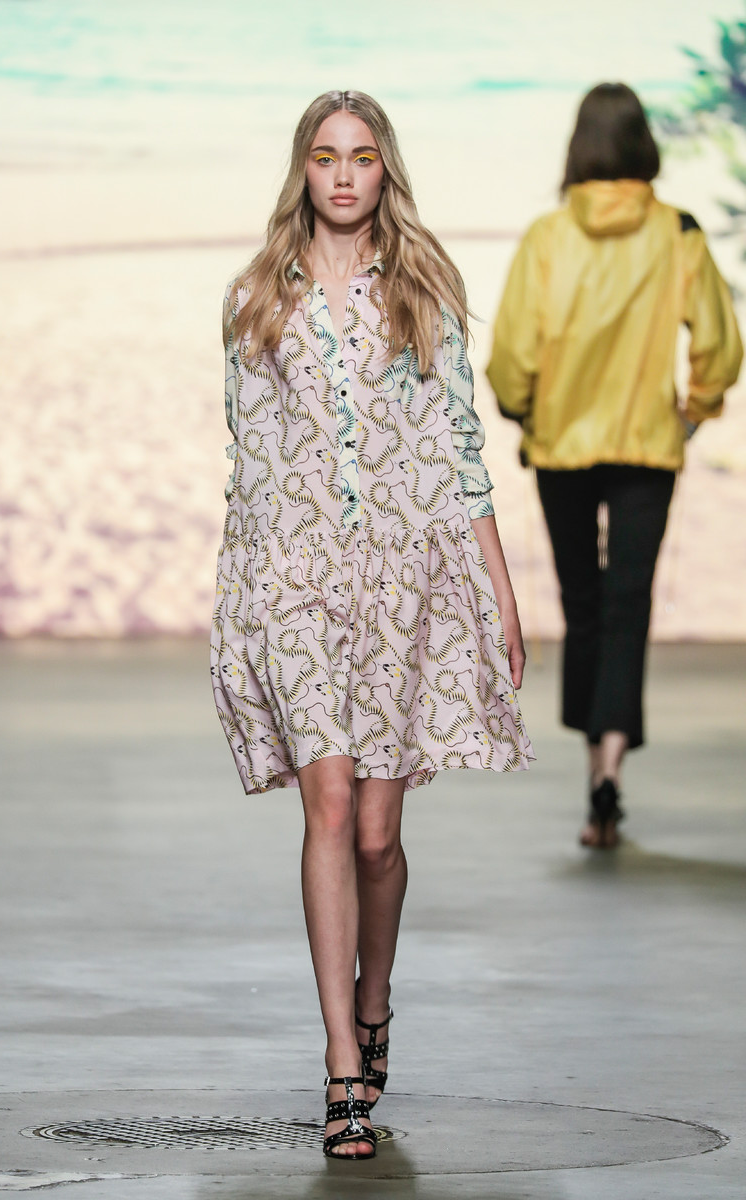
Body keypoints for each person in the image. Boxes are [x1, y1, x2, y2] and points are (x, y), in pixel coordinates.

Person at [210, 89, 533, 1159]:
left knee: (379, 837)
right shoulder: (254, 297)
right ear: (301, 171)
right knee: (331, 807)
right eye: (323, 156)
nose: (342, 175)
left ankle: (376, 991)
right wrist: (244, 605)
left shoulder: (422, 292)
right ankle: (342, 1061)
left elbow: (461, 451)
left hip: (403, 583)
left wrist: (497, 592)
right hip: (297, 584)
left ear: (384, 169)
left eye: (359, 156)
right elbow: (248, 466)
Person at [487, 82, 742, 850]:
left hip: (561, 449)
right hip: (646, 448)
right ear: (643, 145)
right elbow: (721, 344)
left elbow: (510, 355)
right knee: (628, 604)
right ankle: (609, 773)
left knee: (584, 604)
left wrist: (525, 414)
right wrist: (693, 412)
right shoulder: (678, 233)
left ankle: (591, 769)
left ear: (579, 146)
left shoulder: (547, 237)